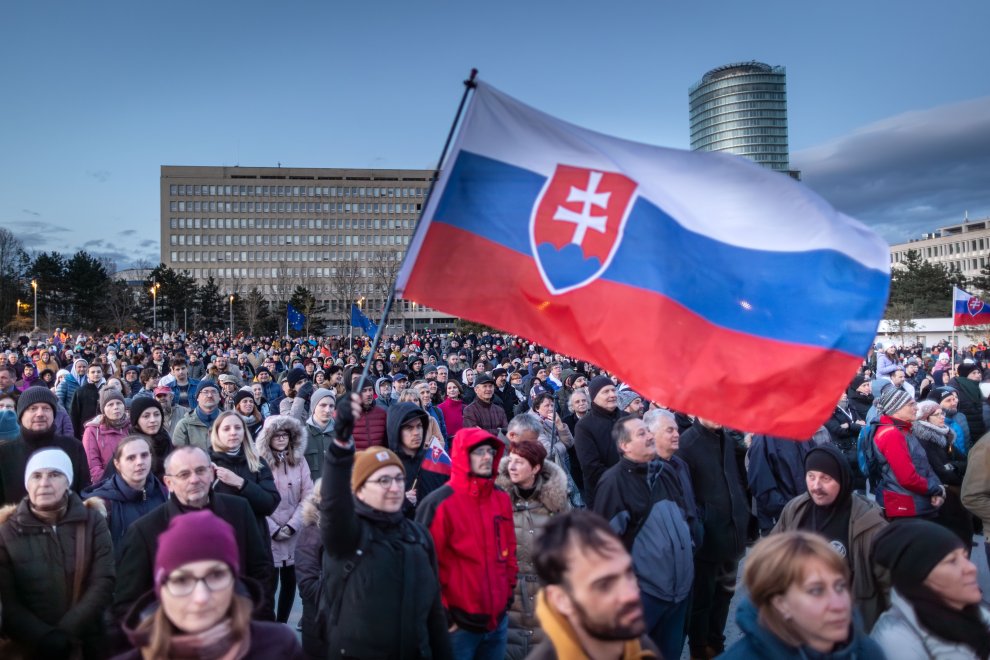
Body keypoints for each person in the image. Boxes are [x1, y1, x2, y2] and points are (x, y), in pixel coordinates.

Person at [320, 393, 453, 659]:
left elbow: (434, 614)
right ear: (359, 490)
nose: (394, 488)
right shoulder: (351, 536)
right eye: (382, 481)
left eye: (398, 479)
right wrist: (341, 442)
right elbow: (333, 505)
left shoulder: (418, 537)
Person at [113, 446, 275, 620]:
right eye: (184, 474)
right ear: (169, 483)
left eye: (200, 471)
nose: (194, 479)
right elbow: (128, 604)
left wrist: (257, 622)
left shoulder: (239, 510)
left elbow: (261, 571)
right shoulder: (145, 531)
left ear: (212, 473)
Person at [115, 510, 303, 659]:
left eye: (215, 576)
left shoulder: (280, 647)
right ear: (160, 589)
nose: (201, 598)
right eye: (182, 580)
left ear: (234, 581)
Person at [593, 416, 695, 659]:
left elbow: (683, 517)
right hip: (645, 597)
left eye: (648, 432)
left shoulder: (665, 472)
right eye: (641, 434)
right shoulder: (613, 484)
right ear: (624, 446)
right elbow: (602, 550)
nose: (650, 436)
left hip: (678, 592)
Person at [0, 448, 115, 659]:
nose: (44, 483)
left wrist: (67, 631)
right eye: (36, 476)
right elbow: (7, 600)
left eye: (54, 474)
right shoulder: (7, 531)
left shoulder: (92, 521)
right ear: (28, 483)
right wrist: (42, 636)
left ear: (67, 481)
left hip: (87, 643)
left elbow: (103, 580)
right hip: (30, 648)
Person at [417, 428, 518, 659]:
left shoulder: (500, 497)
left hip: (497, 619)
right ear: (463, 455)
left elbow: (509, 549)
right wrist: (442, 614)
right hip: (457, 625)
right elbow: (425, 565)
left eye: (490, 452)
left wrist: (508, 592)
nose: (486, 457)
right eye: (479, 452)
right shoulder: (439, 503)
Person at [771, 444, 889, 630]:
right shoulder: (795, 509)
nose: (816, 486)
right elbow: (772, 555)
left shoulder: (869, 524)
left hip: (849, 625)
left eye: (826, 478)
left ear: (842, 480)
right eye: (811, 477)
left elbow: (890, 585)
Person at [720, 532, 884, 659]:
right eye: (816, 591)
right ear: (781, 604)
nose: (839, 604)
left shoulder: (865, 651)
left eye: (840, 586)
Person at [527, 509, 660, 659]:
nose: (631, 594)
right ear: (561, 600)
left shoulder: (644, 649)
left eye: (629, 573)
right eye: (605, 586)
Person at [676, 416, 750, 659]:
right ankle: (700, 648)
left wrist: (741, 510)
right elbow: (686, 494)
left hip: (732, 531)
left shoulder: (726, 438)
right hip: (707, 539)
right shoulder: (687, 443)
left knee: (725, 594)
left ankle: (716, 642)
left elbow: (736, 478)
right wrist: (703, 520)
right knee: (702, 600)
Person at [871, 518, 990, 659]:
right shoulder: (896, 640)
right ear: (920, 575)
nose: (971, 567)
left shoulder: (977, 614)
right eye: (952, 561)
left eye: (964, 557)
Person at [495, 438, 570, 659]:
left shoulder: (556, 504)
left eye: (520, 462)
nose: (512, 466)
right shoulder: (498, 500)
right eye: (511, 461)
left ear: (536, 468)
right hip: (509, 595)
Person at [254, 414, 314, 623]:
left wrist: (292, 525)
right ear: (267, 438)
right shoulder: (258, 464)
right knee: (268, 586)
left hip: (293, 533)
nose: (281, 438)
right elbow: (256, 499)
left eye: (285, 434)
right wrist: (273, 529)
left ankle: (281, 624)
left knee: (290, 584)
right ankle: (268, 628)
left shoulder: (300, 461)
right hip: (268, 534)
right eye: (276, 435)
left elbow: (308, 495)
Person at [81, 435, 169, 560]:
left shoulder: (165, 494)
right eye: (131, 458)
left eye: (144, 455)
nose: (139, 462)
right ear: (117, 464)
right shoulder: (102, 504)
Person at [0, 387, 90, 504]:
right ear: (21, 415)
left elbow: (83, 491)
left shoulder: (73, 447)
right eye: (33, 409)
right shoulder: (4, 453)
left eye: (46, 408)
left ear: (54, 414)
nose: (40, 414)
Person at [872, 387, 945, 518]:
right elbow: (907, 478)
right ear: (896, 408)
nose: (916, 408)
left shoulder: (904, 429)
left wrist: (936, 486)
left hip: (917, 501)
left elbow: (923, 464)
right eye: (911, 404)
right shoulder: (891, 434)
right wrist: (936, 489)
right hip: (907, 506)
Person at [209, 410, 281, 542]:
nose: (233, 432)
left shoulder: (258, 462)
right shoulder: (207, 464)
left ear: (244, 432)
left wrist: (241, 483)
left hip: (255, 540)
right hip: (221, 540)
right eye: (226, 429)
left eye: (238, 428)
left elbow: (270, 503)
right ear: (217, 432)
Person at [913, 399, 973, 546]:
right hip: (944, 494)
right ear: (925, 418)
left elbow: (966, 460)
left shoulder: (945, 435)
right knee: (954, 537)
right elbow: (941, 471)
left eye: (942, 413)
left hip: (955, 489)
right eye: (937, 414)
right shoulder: (924, 440)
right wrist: (957, 469)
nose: (943, 417)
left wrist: (954, 466)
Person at [386, 401, 451, 518]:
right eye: (409, 428)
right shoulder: (387, 468)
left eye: (419, 426)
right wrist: (401, 501)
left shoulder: (434, 459)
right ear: (396, 430)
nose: (416, 433)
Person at [575, 375, 625, 506]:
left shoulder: (628, 419)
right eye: (605, 392)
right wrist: (624, 478)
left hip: (634, 490)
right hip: (605, 496)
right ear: (594, 397)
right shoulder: (584, 426)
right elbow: (591, 467)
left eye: (613, 390)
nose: (612, 394)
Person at [82, 388, 132, 483]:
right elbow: (93, 466)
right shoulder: (92, 431)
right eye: (110, 404)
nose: (116, 407)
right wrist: (113, 483)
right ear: (103, 409)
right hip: (107, 485)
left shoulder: (131, 426)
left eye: (119, 403)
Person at [129, 396, 174, 479]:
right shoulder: (128, 447)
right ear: (136, 420)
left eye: (157, 414)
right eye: (146, 416)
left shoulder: (166, 440)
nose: (153, 420)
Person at [172, 380, 223, 452]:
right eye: (205, 392)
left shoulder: (227, 422)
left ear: (219, 397)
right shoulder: (184, 425)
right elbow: (178, 455)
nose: (210, 395)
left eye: (214, 392)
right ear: (197, 397)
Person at [463, 372, 509, 437]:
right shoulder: (469, 410)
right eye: (484, 386)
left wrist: (483, 431)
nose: (488, 389)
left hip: (498, 446)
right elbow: (474, 434)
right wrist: (499, 431)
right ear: (476, 390)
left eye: (490, 386)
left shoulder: (499, 410)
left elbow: (506, 432)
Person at [70, 362, 106, 439]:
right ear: (88, 374)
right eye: (93, 372)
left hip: (105, 430)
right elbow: (74, 414)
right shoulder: (80, 391)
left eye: (98, 372)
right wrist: (76, 435)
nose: (96, 374)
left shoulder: (107, 389)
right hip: (85, 432)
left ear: (102, 373)